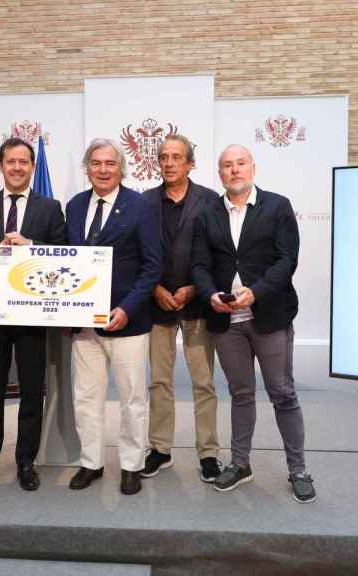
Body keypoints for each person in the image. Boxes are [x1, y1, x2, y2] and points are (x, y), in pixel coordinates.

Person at [191, 144, 316, 503]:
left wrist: (256, 292)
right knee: (241, 394)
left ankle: (299, 470)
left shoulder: (277, 206)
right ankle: (241, 464)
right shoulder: (207, 213)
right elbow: (199, 265)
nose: (234, 170)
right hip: (227, 322)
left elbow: (286, 259)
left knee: (283, 393)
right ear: (220, 173)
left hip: (269, 317)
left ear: (253, 168)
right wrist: (209, 294)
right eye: (227, 166)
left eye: (240, 163)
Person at [0, 137, 66, 492]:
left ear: (32, 167)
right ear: (1, 165)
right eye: (11, 161)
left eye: (24, 162)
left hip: (33, 319)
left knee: (31, 393)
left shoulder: (50, 208)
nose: (18, 167)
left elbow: (64, 257)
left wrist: (32, 246)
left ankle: (26, 462)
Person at [65, 138, 160, 495]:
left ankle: (132, 465)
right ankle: (91, 462)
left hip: (128, 322)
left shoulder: (140, 206)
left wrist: (127, 308)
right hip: (84, 325)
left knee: (132, 398)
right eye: (96, 163)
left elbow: (152, 267)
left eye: (110, 163)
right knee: (86, 398)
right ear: (86, 167)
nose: (102, 170)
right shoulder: (74, 207)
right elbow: (65, 259)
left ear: (121, 168)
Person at [140, 134, 222, 483]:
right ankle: (160, 449)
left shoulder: (210, 201)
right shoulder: (143, 202)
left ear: (190, 163)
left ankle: (208, 453)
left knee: (203, 382)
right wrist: (156, 289)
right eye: (163, 157)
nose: (169, 163)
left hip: (198, 305)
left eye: (177, 157)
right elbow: (138, 252)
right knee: (159, 382)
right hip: (156, 304)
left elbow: (221, 253)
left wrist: (194, 289)